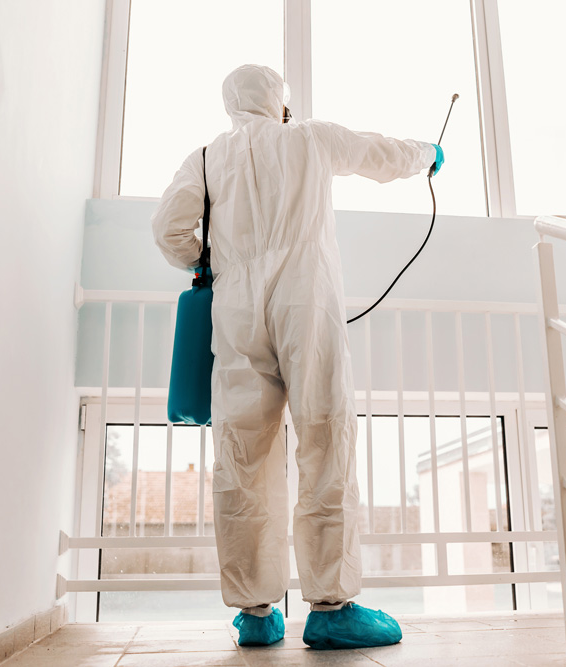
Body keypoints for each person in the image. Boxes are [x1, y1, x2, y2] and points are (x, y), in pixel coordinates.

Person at [152, 64, 444, 650]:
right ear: (277, 100)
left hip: (233, 310)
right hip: (304, 299)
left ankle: (257, 614)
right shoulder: (308, 137)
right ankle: (332, 607)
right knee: (324, 435)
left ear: (231, 104)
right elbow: (379, 154)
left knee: (242, 451)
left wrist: (207, 263)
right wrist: (428, 154)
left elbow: (168, 231)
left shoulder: (205, 158)